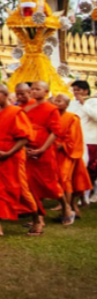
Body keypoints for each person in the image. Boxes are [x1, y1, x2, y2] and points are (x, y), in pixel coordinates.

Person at [0, 84, 34, 238]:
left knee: (21, 189)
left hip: (13, 156)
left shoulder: (16, 112)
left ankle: (37, 219)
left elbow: (24, 137)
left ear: (5, 95)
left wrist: (9, 152)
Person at [23, 81, 63, 236]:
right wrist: (26, 148)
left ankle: (65, 207)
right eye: (32, 89)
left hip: (44, 152)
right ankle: (38, 219)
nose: (33, 91)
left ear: (46, 91)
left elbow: (55, 132)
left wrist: (42, 149)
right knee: (30, 186)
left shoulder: (52, 109)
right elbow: (24, 131)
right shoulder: (26, 109)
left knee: (48, 184)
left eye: (37, 89)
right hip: (28, 152)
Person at [52, 93, 91, 224]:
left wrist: (62, 145)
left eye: (60, 101)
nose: (56, 102)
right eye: (55, 100)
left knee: (65, 181)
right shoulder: (53, 116)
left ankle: (66, 211)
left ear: (67, 104)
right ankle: (68, 209)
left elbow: (73, 138)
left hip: (66, 154)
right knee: (57, 181)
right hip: (53, 153)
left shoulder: (72, 118)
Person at [70, 79, 97, 199]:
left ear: (86, 91)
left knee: (89, 169)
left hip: (90, 140)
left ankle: (88, 193)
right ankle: (80, 194)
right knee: (78, 168)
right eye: (74, 90)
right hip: (75, 140)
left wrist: (84, 104)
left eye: (79, 90)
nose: (76, 92)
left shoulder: (93, 101)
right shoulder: (72, 103)